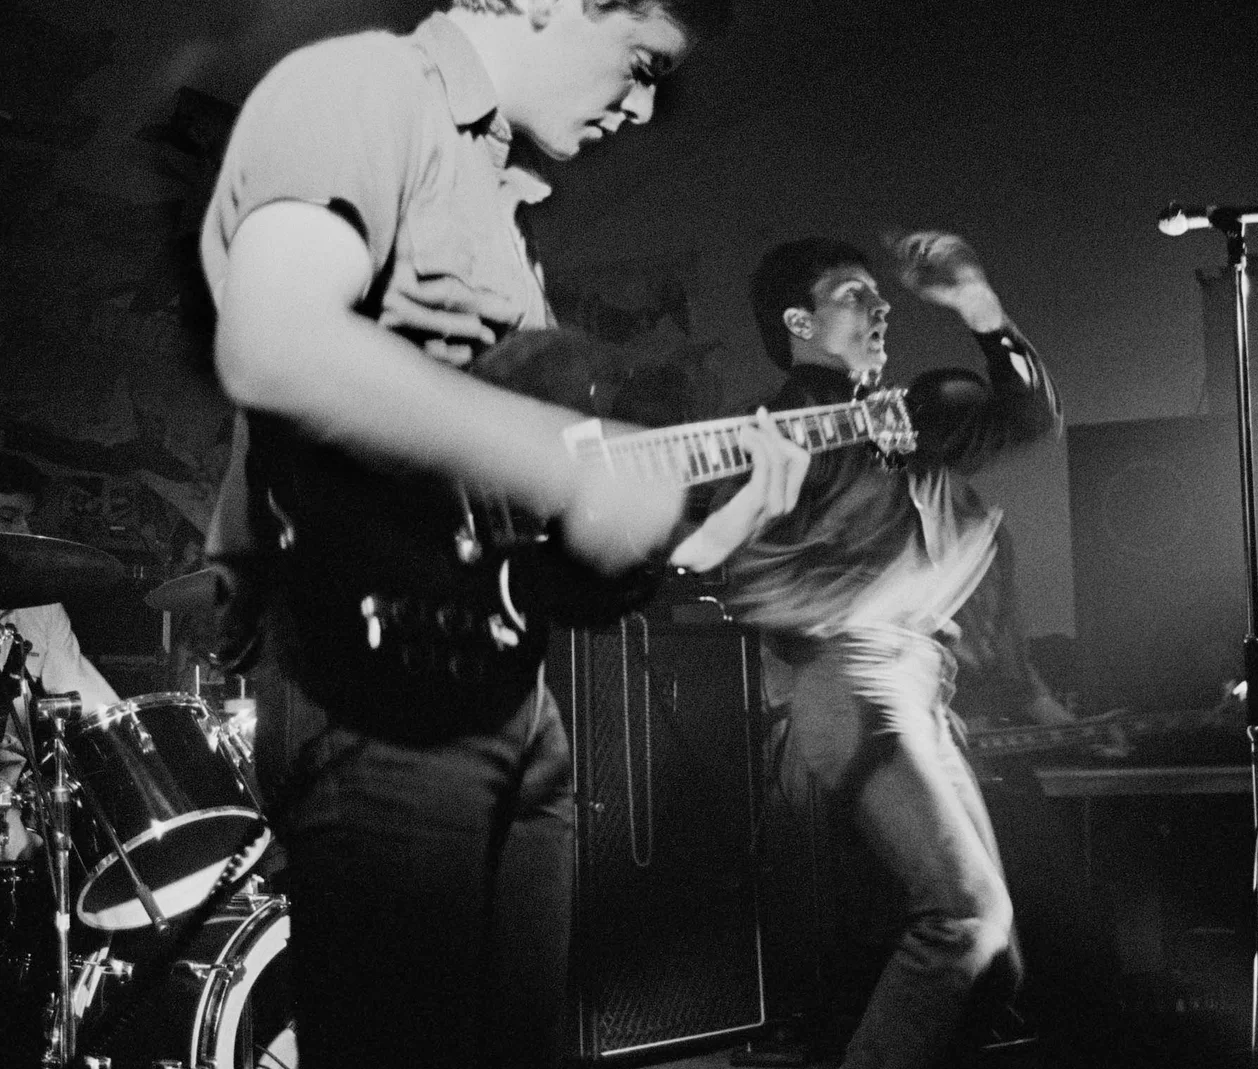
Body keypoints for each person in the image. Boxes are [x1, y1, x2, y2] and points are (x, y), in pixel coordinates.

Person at [195, 2, 809, 1067]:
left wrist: (712, 512)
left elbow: (518, 529)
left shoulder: (494, 197)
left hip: (511, 700)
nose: (647, 105)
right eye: (640, 62)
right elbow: (274, 337)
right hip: (382, 697)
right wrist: (565, 458)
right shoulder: (364, 88)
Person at [725, 232, 1062, 1069]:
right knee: (961, 918)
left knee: (995, 961)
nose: (881, 308)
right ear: (799, 321)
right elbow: (750, 582)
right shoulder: (782, 436)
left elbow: (1031, 419)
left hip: (915, 684)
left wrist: (981, 309)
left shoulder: (906, 418)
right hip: (851, 675)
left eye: (882, 296)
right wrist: (872, 604)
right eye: (853, 294)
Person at [1, 453, 121, 862]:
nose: (22, 534)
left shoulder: (39, 609)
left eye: (24, 519)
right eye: (6, 518)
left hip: (12, 801)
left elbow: (91, 703)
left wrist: (149, 747)